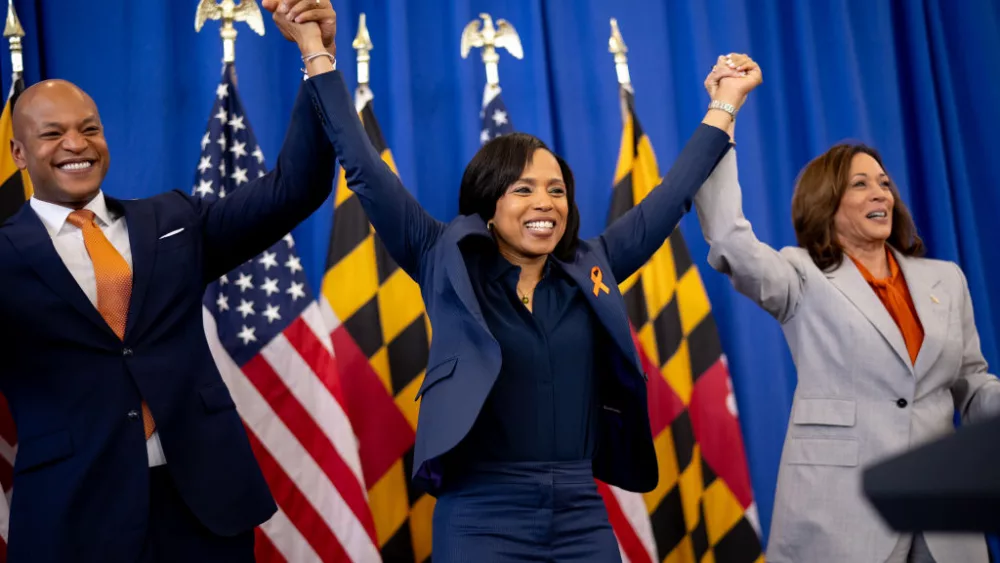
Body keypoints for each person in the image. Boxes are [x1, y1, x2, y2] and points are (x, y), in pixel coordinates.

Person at [271, 1, 761, 554]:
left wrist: (725, 102)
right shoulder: (440, 256)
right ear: (489, 201)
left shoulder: (593, 264)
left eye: (556, 190)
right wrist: (315, 50)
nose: (545, 203)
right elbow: (361, 164)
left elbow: (672, 197)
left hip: (581, 512)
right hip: (480, 512)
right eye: (523, 189)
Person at [0, 2, 340, 561]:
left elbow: (293, 189)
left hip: (203, 508)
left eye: (90, 129)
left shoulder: (173, 220)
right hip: (74, 517)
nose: (76, 145)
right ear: (18, 153)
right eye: (52, 134)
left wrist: (315, 56)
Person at [695, 57, 1000, 563]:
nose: (880, 192)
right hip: (839, 520)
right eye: (860, 184)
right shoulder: (799, 275)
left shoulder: (945, 279)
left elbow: (972, 386)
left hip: (945, 527)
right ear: (826, 201)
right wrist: (724, 109)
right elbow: (728, 237)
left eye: (883, 182)